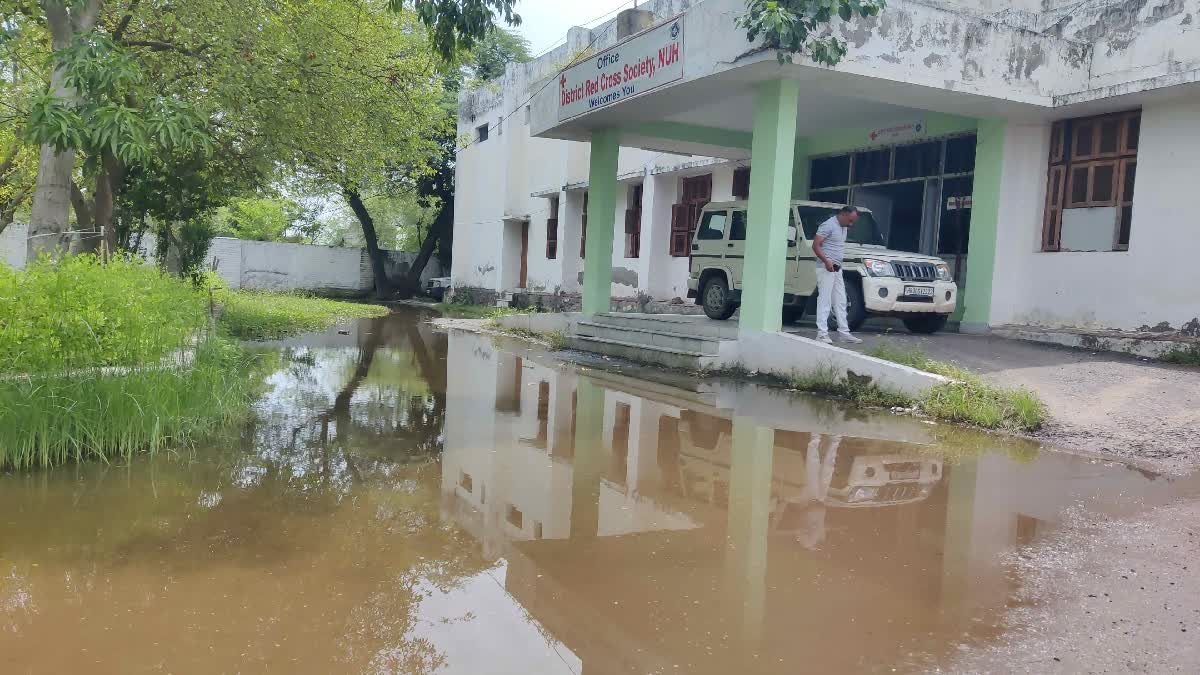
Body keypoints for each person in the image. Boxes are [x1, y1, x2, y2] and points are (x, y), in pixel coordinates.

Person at [811, 205, 863, 344]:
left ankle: (844, 332)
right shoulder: (828, 225)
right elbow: (816, 245)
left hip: (837, 268)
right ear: (844, 214)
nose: (851, 224)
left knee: (841, 300)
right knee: (825, 300)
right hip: (825, 267)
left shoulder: (843, 226)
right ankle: (821, 334)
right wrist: (826, 261)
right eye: (850, 220)